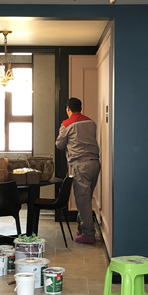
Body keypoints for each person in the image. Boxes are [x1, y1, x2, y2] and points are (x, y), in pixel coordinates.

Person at [55, 97, 101, 244]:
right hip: (95, 163)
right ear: (80, 108)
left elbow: (59, 144)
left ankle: (88, 234)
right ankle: (82, 229)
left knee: (82, 200)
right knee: (86, 198)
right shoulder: (91, 122)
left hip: (81, 165)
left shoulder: (67, 124)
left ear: (68, 109)